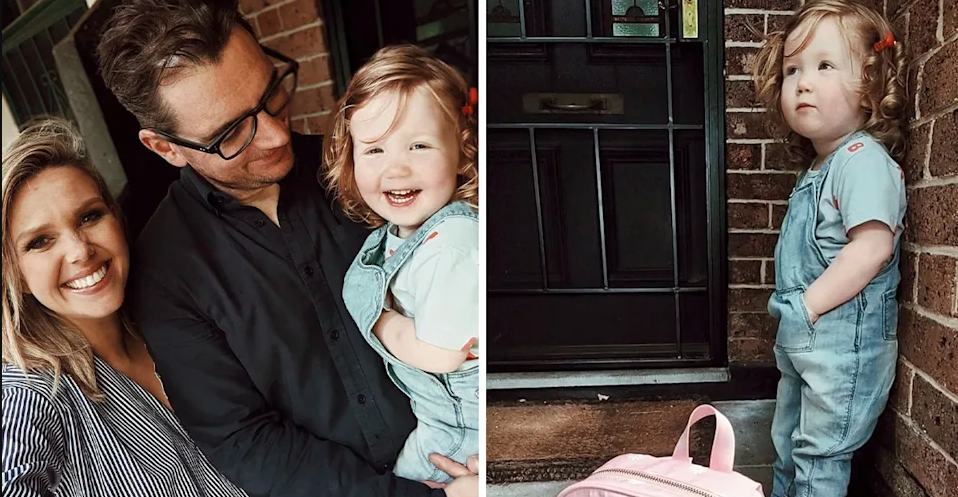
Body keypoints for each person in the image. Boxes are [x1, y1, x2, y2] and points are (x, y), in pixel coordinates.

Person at [95, 1, 477, 496]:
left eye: (272, 92)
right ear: (164, 147)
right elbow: (243, 441)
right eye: (230, 134)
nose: (276, 135)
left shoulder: (375, 173)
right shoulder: (165, 274)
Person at [1, 117, 247, 497]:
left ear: (116, 218)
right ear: (15, 275)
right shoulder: (32, 392)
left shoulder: (180, 317)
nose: (80, 250)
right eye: (40, 242)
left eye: (89, 216)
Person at [751, 1, 908, 495]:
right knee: (789, 445)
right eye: (793, 69)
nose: (802, 82)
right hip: (806, 345)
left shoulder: (862, 161)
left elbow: (873, 246)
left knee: (819, 456)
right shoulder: (819, 167)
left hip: (842, 350)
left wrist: (808, 306)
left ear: (869, 86)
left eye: (824, 66)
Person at [322, 45, 479, 483]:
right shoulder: (394, 236)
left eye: (419, 145)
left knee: (405, 486)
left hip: (462, 430)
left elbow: (442, 355)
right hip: (437, 419)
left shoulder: (452, 242)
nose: (397, 169)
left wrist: (380, 322)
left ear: (461, 151)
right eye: (374, 151)